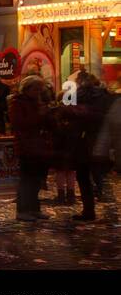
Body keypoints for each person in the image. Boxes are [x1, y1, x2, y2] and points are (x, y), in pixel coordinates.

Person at [61, 72, 108, 221]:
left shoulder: (75, 94)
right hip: (99, 138)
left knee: (83, 175)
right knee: (99, 174)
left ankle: (89, 210)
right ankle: (103, 202)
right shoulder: (103, 96)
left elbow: (66, 113)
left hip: (81, 140)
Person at [9, 75, 53, 222]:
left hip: (38, 145)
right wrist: (39, 116)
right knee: (27, 179)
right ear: (27, 89)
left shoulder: (37, 102)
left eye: (40, 89)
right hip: (26, 145)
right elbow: (19, 123)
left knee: (36, 179)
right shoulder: (17, 103)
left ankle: (34, 208)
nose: (38, 92)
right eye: (36, 89)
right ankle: (23, 210)